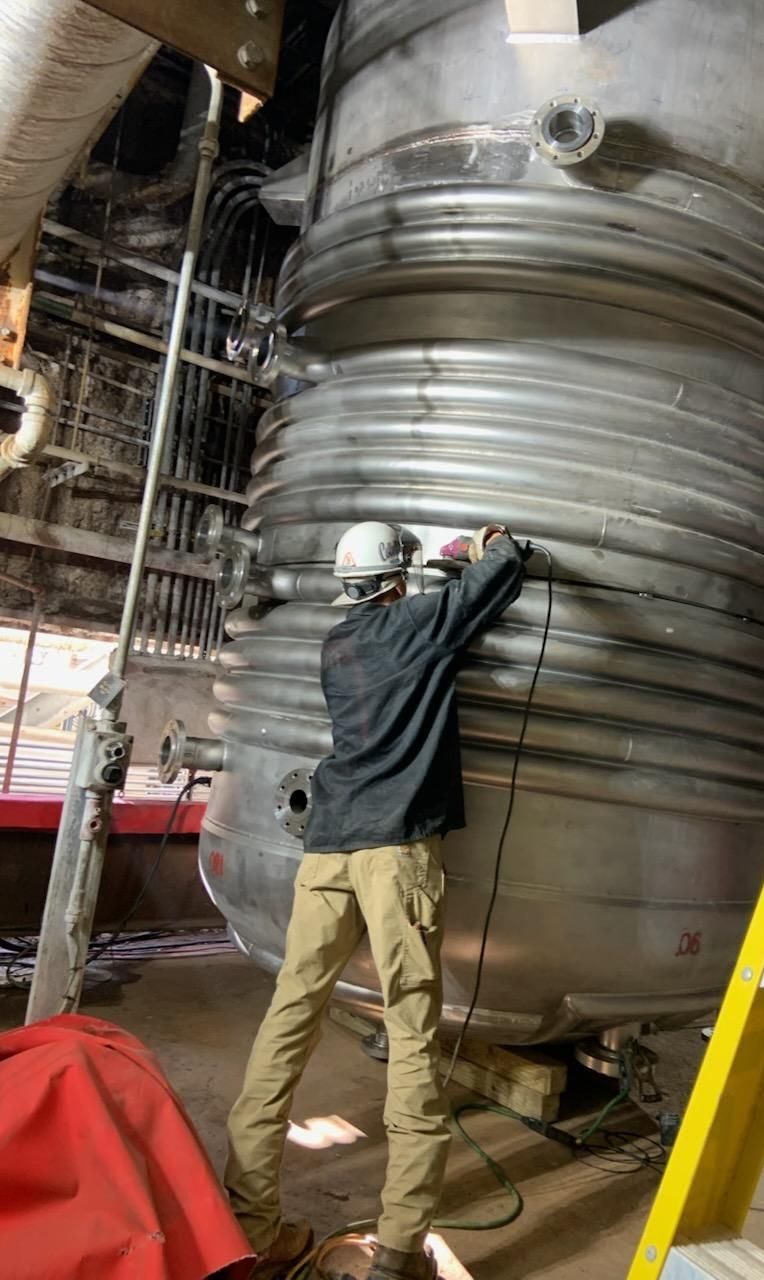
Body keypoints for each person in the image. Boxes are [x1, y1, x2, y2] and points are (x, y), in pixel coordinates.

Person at [225, 519, 527, 1280]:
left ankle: (251, 1228)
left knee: (290, 1015)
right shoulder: (419, 623)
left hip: (328, 845)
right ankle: (397, 1250)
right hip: (396, 851)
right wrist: (488, 543)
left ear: (348, 582)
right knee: (414, 1032)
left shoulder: (339, 645)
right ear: (399, 577)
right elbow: (503, 572)